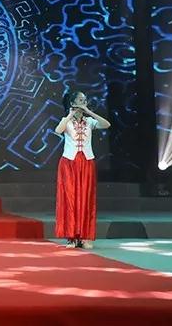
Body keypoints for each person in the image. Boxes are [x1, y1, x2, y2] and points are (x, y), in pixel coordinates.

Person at [54, 90, 111, 249]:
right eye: (80, 100)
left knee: (86, 199)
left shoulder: (90, 121)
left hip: (86, 162)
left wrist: (89, 112)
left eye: (85, 100)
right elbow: (58, 130)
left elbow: (107, 124)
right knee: (70, 199)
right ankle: (71, 237)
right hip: (69, 162)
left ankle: (85, 237)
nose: (83, 102)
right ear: (73, 103)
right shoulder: (66, 121)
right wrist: (70, 115)